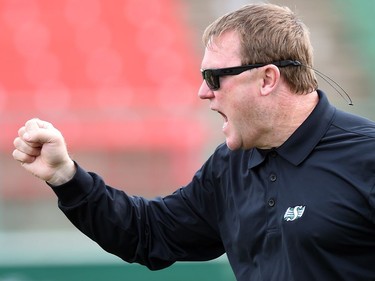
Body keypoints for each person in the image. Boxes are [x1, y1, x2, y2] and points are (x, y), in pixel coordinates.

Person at [12, 3, 375, 281]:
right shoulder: (229, 167)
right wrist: (66, 176)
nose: (203, 92)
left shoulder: (365, 157)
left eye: (215, 77)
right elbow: (147, 233)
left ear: (267, 79)